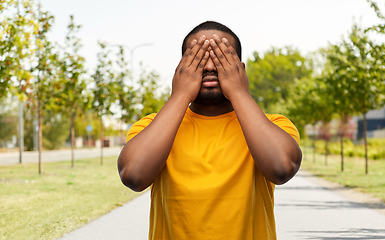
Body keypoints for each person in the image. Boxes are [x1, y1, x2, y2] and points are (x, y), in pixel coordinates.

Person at [117, 21, 302, 240]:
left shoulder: (274, 125)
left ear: (240, 69)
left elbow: (281, 169)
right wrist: (180, 95)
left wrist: (239, 92)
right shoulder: (152, 126)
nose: (210, 67)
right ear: (181, 68)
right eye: (199, 58)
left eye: (221, 58)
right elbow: (134, 176)